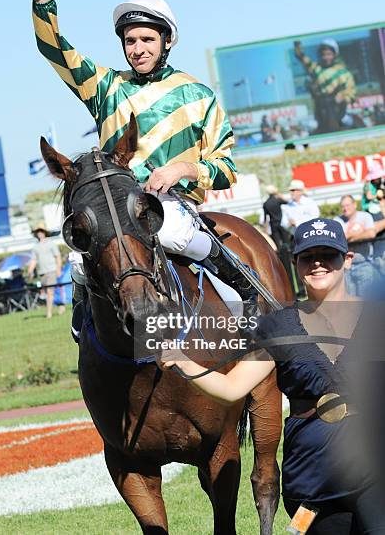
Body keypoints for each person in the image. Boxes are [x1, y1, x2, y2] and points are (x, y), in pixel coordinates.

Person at [23, 0, 256, 313]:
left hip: (171, 205)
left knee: (173, 232)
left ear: (166, 42)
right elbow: (54, 48)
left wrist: (182, 168)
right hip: (114, 207)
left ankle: (244, 289)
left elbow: (227, 170)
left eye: (148, 39)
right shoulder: (104, 87)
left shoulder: (196, 95)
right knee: (78, 259)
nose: (138, 48)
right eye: (130, 41)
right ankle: (85, 324)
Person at [161, 218, 385, 533]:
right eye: (308, 256)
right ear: (295, 264)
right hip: (312, 476)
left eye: (328, 255)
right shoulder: (279, 327)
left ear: (347, 260)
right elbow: (231, 387)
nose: (317, 263)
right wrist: (184, 362)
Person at [294, 38, 356, 134]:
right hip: (321, 108)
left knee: (349, 122)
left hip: (339, 107)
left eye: (329, 54)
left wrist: (343, 97)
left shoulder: (343, 72)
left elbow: (351, 91)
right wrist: (297, 44)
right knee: (313, 129)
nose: (326, 57)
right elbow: (301, 57)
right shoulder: (315, 68)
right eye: (323, 55)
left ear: (335, 55)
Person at [334, 195, 376, 297]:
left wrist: (348, 236)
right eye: (343, 206)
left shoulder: (365, 216)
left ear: (354, 205)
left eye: (347, 205)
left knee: (367, 300)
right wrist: (360, 234)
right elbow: (337, 239)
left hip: (364, 263)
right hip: (345, 267)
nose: (345, 208)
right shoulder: (337, 220)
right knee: (349, 301)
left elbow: (371, 234)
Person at [27, 223, 62, 319]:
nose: (39, 233)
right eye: (38, 232)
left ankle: (49, 313)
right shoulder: (35, 247)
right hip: (42, 272)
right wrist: (30, 270)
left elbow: (57, 256)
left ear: (44, 232)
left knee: (50, 292)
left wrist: (59, 269)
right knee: (47, 292)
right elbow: (34, 260)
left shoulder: (51, 243)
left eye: (41, 231)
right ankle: (60, 305)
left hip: (52, 270)